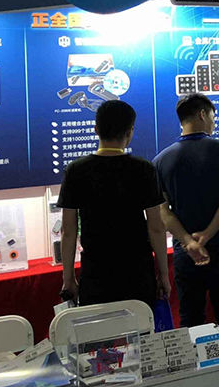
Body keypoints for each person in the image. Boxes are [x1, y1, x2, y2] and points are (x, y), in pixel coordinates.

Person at [59, 100, 171, 307]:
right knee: (140, 326)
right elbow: (156, 227)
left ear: (96, 129)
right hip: (137, 270)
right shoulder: (143, 169)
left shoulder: (76, 170)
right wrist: (163, 274)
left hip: (95, 271)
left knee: (99, 327)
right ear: (130, 131)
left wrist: (68, 278)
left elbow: (68, 231)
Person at [154, 94, 219, 330]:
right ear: (203, 114)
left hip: (186, 253)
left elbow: (163, 211)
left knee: (191, 319)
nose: (214, 122)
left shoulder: (161, 160)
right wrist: (207, 235)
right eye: (213, 116)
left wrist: (189, 242)